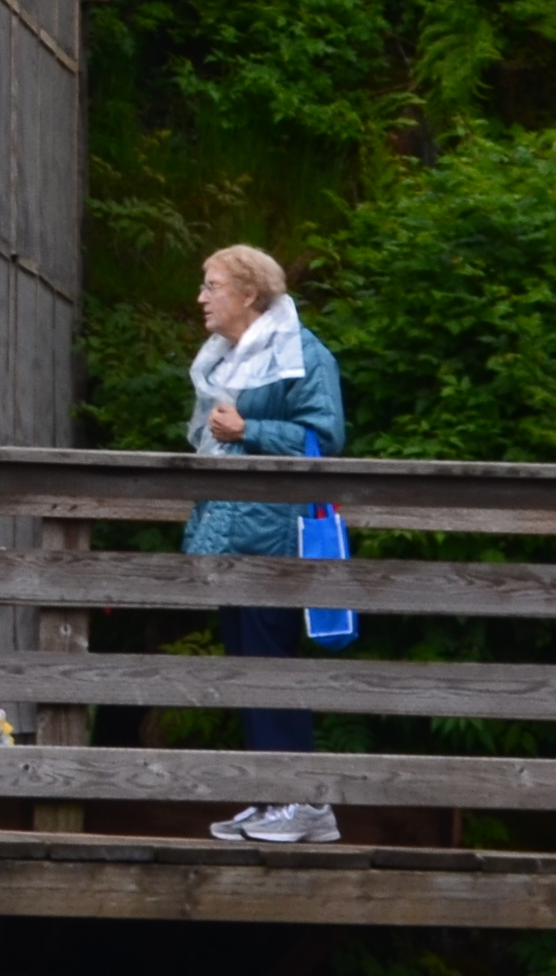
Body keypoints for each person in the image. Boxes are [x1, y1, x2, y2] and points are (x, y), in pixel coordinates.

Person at [188, 240, 350, 845]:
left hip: (276, 536)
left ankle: (304, 803)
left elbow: (324, 437)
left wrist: (250, 429)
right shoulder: (226, 360)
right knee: (246, 669)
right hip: (232, 532)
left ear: (250, 293)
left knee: (272, 667)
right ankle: (269, 799)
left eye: (212, 285)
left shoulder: (302, 354)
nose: (202, 297)